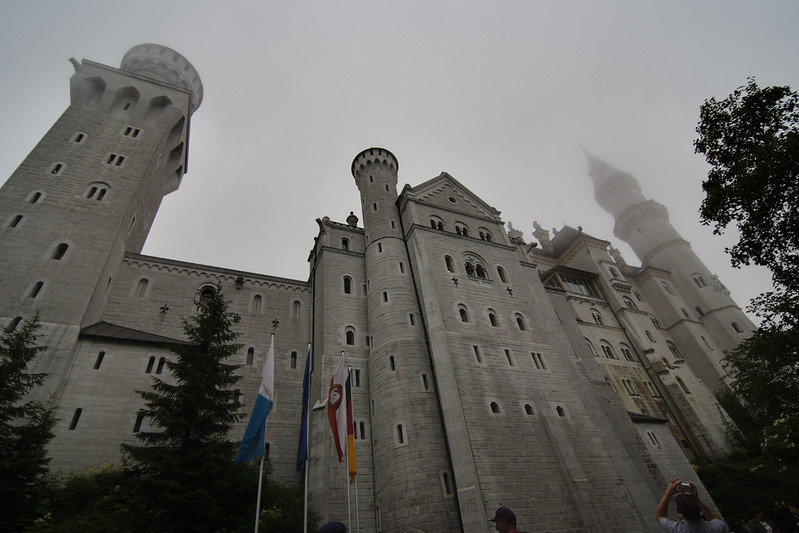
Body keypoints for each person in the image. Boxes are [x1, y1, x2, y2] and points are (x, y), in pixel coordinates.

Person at [655, 478, 728, 532]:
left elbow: (659, 515)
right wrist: (697, 499)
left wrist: (668, 494)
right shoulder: (718, 527)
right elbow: (718, 520)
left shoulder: (678, 530)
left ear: (679, 511)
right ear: (699, 509)